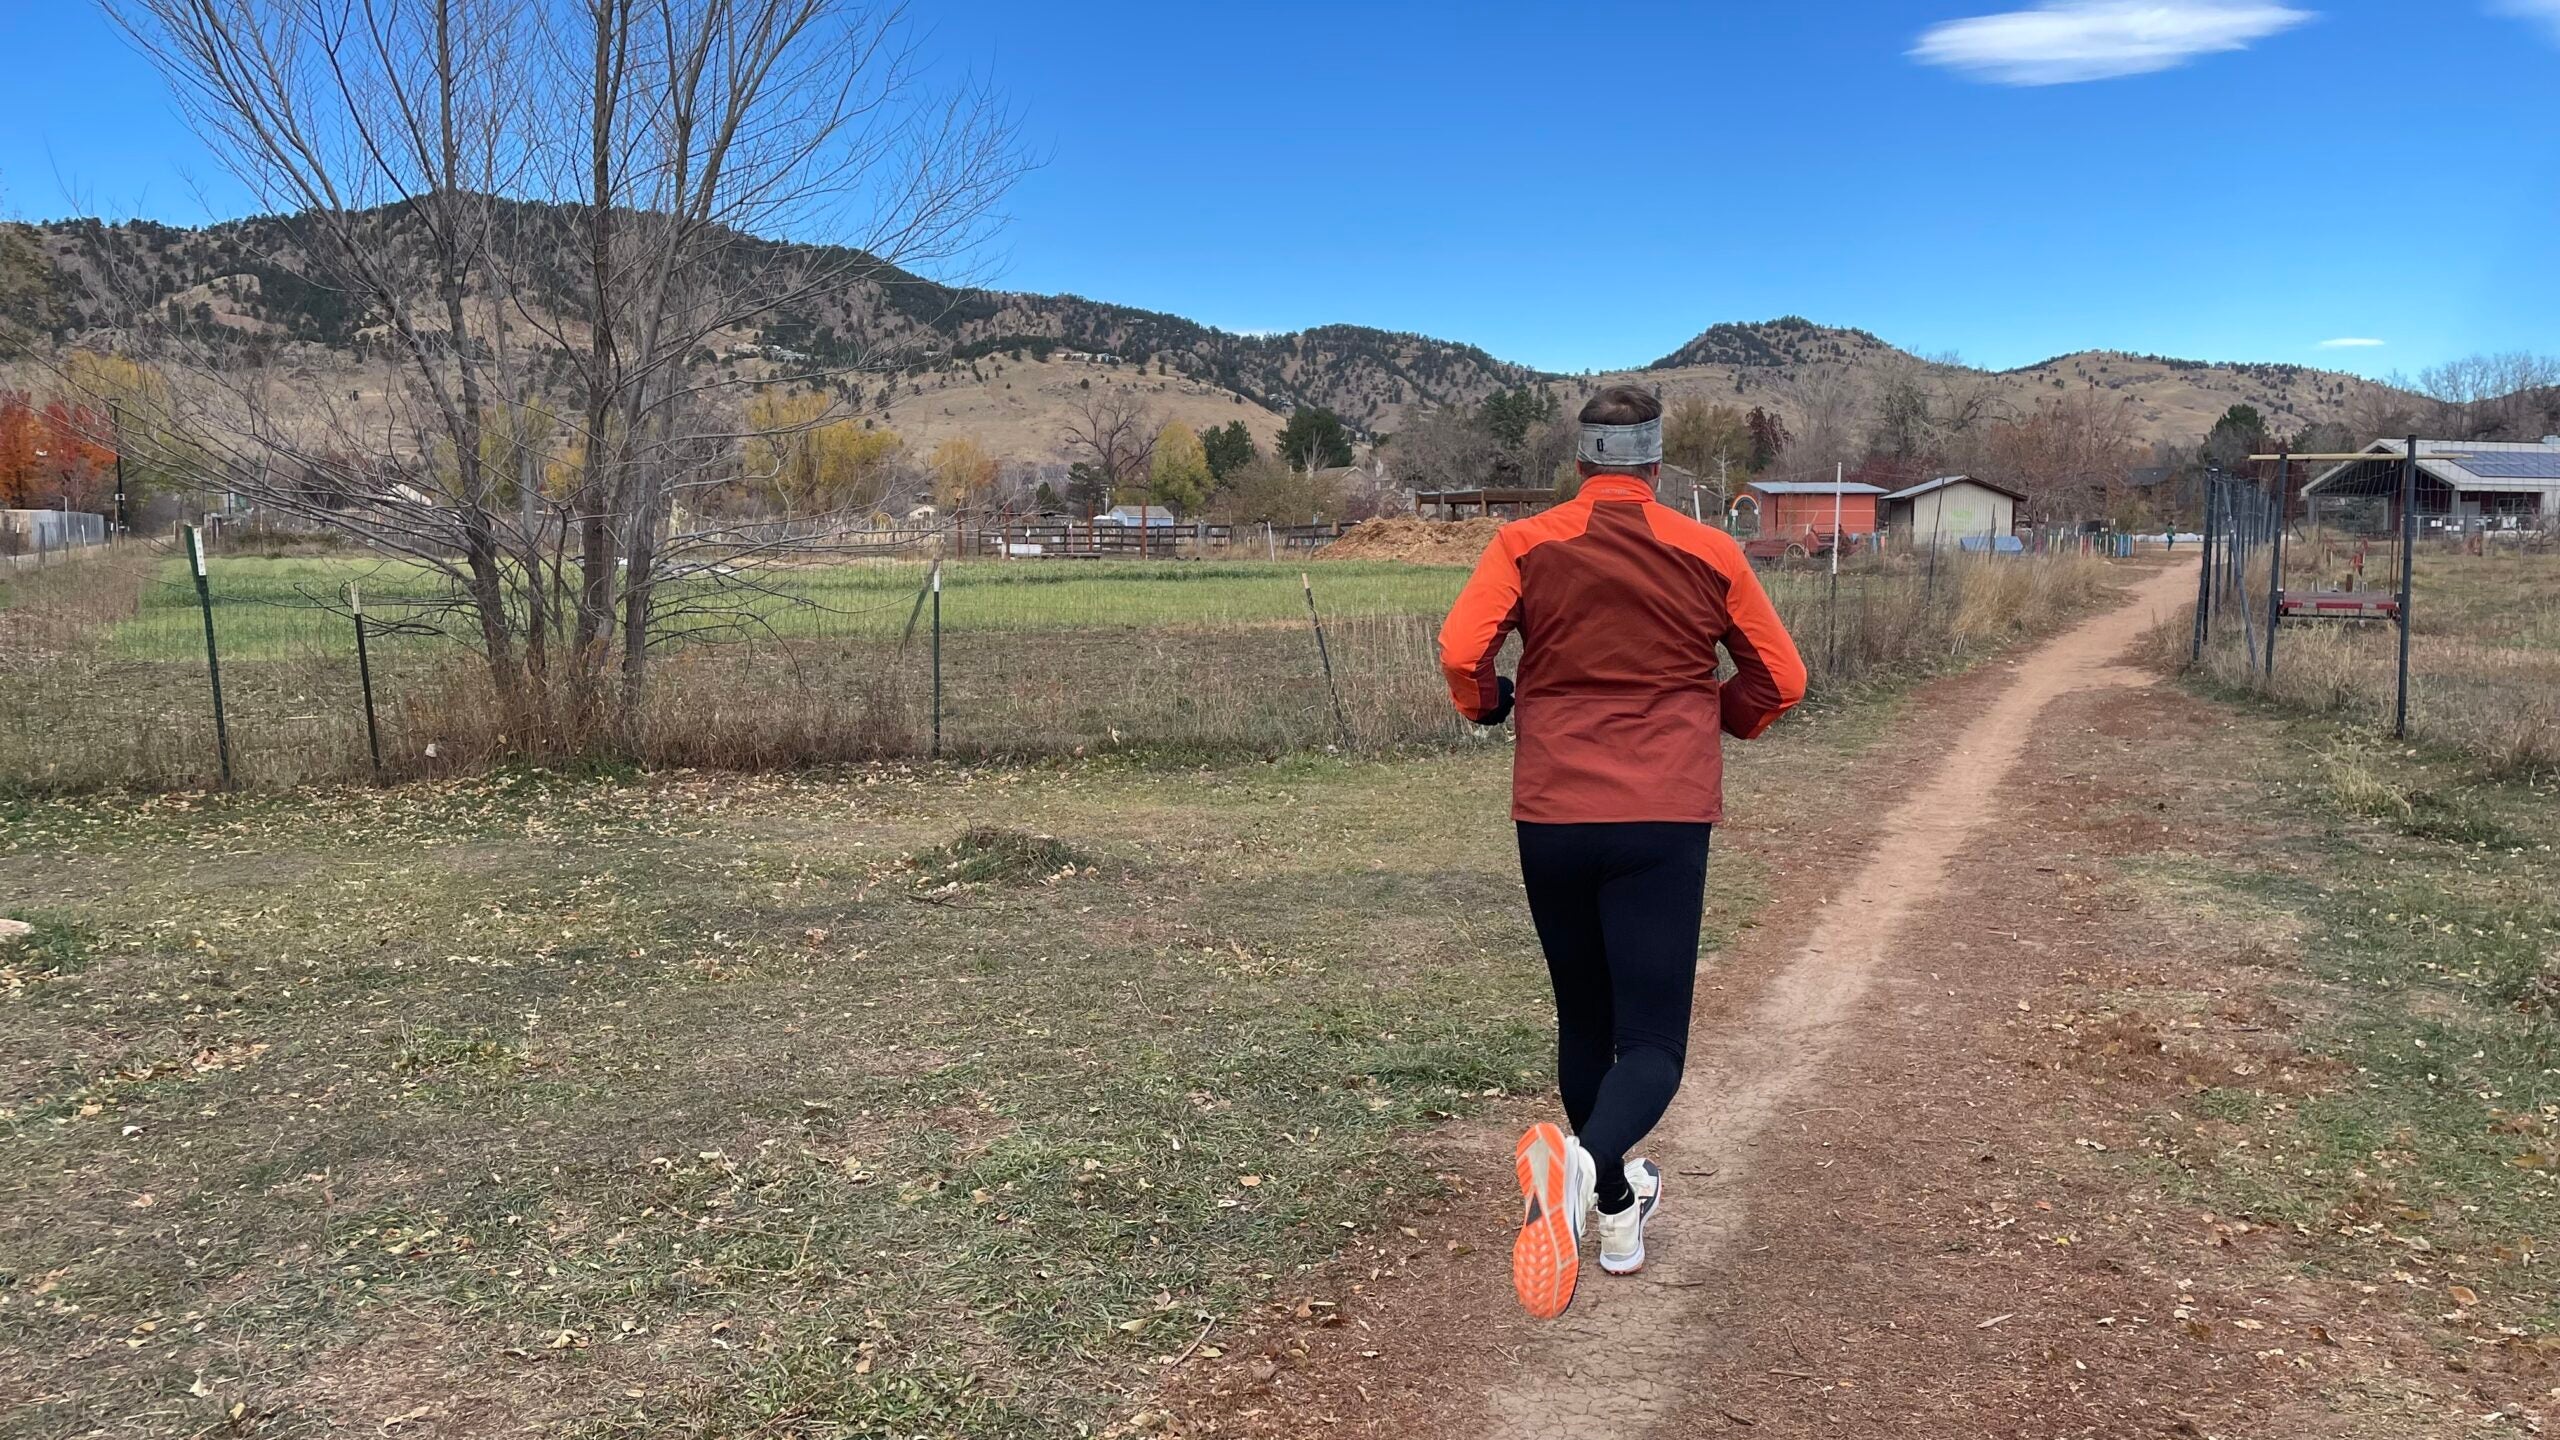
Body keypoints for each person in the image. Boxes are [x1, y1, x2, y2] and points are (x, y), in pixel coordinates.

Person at [1438, 385, 1807, 1320]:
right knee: (1650, 1043)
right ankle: (1585, 1171)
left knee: (1583, 1021)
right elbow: (1783, 679)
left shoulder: (1524, 545)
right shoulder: (1710, 550)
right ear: (1653, 465)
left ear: (1582, 463)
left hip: (1554, 814)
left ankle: (1613, 1209)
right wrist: (1723, 716)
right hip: (1662, 816)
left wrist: (1487, 706)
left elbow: (1461, 649)